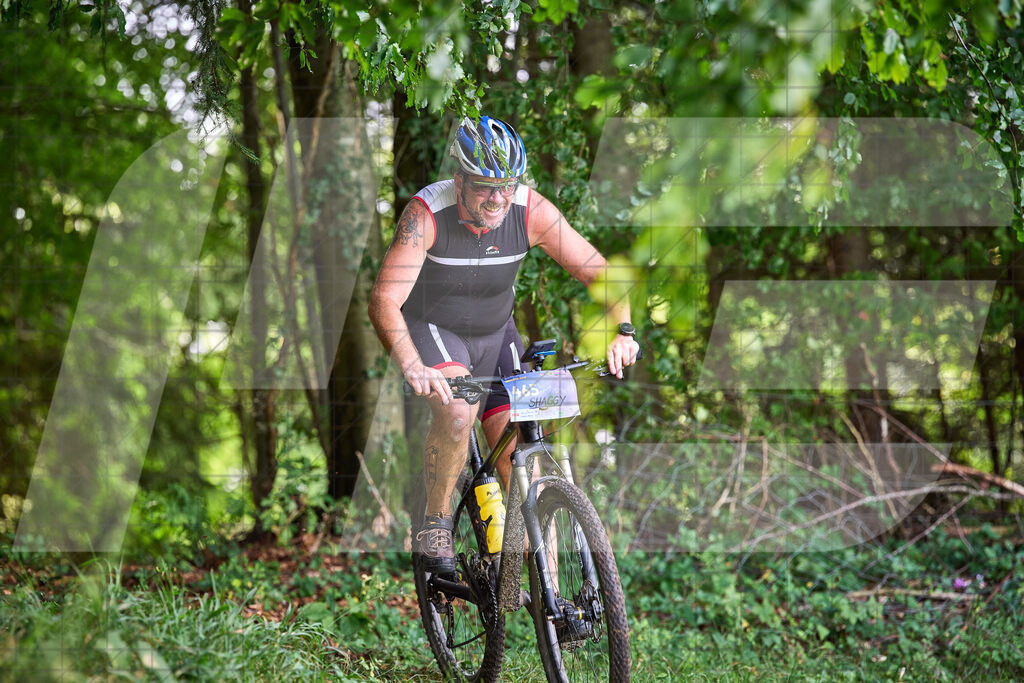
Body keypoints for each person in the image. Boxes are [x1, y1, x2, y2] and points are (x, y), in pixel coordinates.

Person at [368, 115, 640, 574]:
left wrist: (624, 331)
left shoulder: (530, 211)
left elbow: (601, 273)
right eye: (483, 187)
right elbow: (384, 300)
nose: (497, 198)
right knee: (458, 412)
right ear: (459, 180)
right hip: (436, 331)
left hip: (497, 335)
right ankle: (435, 522)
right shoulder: (426, 215)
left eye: (506, 186)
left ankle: (549, 599)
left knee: (523, 456)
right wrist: (414, 365)